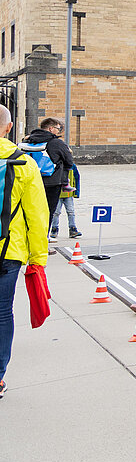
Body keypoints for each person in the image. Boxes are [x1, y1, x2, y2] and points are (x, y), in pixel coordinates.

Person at [0, 104, 50, 399]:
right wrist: (37, 258)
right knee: (2, 313)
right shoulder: (24, 163)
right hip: (9, 251)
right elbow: (37, 215)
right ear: (9, 128)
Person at [21, 117, 73, 237]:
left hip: (29, 180)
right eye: (58, 129)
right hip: (51, 183)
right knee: (47, 212)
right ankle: (43, 238)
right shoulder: (56, 143)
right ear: (50, 128)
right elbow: (69, 161)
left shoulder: (28, 140)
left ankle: (27, 237)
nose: (59, 131)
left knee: (29, 211)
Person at [50, 164, 81, 240]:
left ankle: (72, 229)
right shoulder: (55, 165)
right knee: (56, 212)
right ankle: (54, 229)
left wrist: (76, 192)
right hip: (57, 194)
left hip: (68, 194)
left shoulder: (72, 166)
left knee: (71, 212)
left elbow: (76, 178)